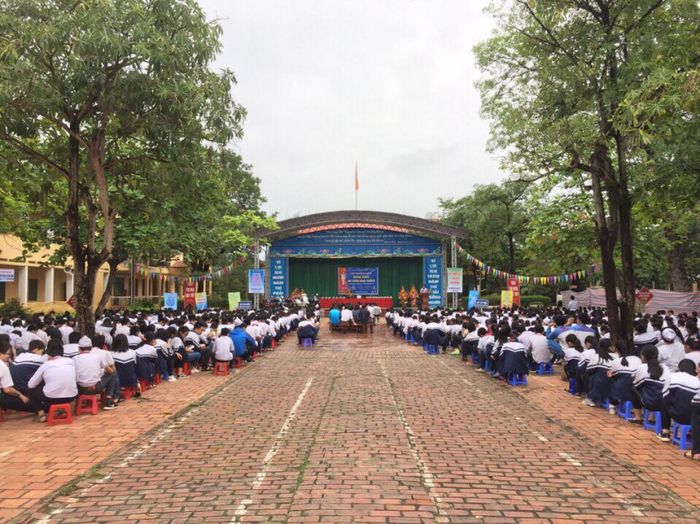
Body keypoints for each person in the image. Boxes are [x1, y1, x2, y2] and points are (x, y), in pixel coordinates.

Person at [27, 339, 77, 420]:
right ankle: (64, 410)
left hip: (51, 398)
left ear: (48, 354)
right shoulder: (71, 361)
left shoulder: (46, 365)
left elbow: (30, 385)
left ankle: (42, 415)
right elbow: (75, 378)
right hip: (71, 397)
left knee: (31, 390)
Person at [657, 359, 700, 442]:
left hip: (677, 416)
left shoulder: (673, 376)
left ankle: (665, 432)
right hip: (694, 419)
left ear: (679, 367)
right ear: (694, 369)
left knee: (664, 399)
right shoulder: (697, 381)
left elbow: (665, 395)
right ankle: (690, 432)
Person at [73, 336, 118, 409]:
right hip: (96, 388)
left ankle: (78, 403)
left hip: (80, 389)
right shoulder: (97, 357)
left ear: (79, 348)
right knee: (112, 373)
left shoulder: (74, 359)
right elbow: (111, 371)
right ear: (91, 347)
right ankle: (108, 400)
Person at [632, 344, 671, 424]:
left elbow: (636, 385)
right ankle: (652, 416)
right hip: (664, 404)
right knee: (655, 390)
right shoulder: (666, 368)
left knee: (633, 388)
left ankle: (638, 417)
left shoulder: (642, 367)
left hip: (649, 404)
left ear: (643, 356)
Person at [0, 339, 40, 416]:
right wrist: (20, 395)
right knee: (31, 404)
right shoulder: (2, 366)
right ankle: (46, 409)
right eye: (8, 354)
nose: (9, 356)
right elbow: (8, 390)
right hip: (2, 396)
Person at [608, 339, 642, 415]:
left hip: (622, 393)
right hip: (637, 393)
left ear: (616, 350)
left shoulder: (615, 362)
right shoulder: (637, 359)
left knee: (610, 379)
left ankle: (612, 405)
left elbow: (611, 374)